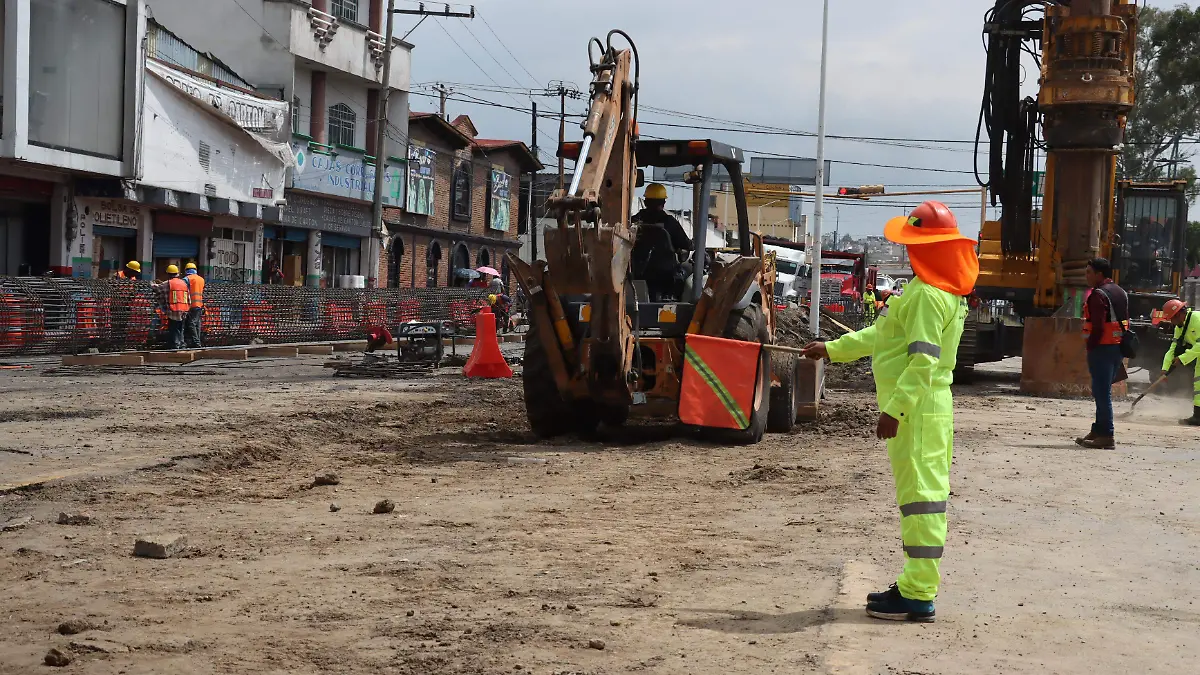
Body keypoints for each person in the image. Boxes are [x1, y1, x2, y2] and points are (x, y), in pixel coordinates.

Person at [801, 201, 978, 623]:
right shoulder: (938, 292)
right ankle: (914, 584)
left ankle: (918, 595)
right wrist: (832, 349)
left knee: (921, 500)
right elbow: (882, 336)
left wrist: (894, 411)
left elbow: (923, 363)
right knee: (921, 497)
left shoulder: (924, 296)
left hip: (916, 411)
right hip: (928, 409)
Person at [1075, 258, 1129, 449]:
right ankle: (1097, 430)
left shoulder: (1098, 295)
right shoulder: (1119, 292)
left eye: (1089, 272)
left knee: (1102, 392)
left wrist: (1090, 346)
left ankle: (1107, 435)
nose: (1086, 276)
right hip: (1117, 348)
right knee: (1101, 390)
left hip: (1102, 348)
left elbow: (1097, 327)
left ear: (1099, 274)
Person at [632, 183, 691, 299]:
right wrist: (691, 244)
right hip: (665, 275)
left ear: (645, 202)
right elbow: (685, 244)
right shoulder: (669, 223)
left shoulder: (634, 221)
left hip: (637, 272)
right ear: (664, 203)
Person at [1153, 298, 1200, 425]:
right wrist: (1165, 369)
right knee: (1198, 385)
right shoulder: (1180, 327)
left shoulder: (1197, 319)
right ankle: (1198, 416)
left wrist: (1182, 358)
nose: (1171, 322)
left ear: (1179, 314)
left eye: (1172, 318)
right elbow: (1173, 349)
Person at [153, 265, 190, 349]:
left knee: (173, 328)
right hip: (183, 309)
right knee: (180, 328)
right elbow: (188, 298)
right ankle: (181, 343)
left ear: (169, 274)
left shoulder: (168, 283)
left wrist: (151, 283)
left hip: (173, 309)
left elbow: (157, 288)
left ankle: (174, 344)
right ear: (177, 274)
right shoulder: (183, 283)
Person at [182, 262, 205, 349]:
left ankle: (197, 343)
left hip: (191, 305)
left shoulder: (186, 279)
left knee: (191, 324)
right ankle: (197, 342)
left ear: (186, 270)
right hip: (199, 304)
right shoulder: (201, 279)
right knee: (197, 324)